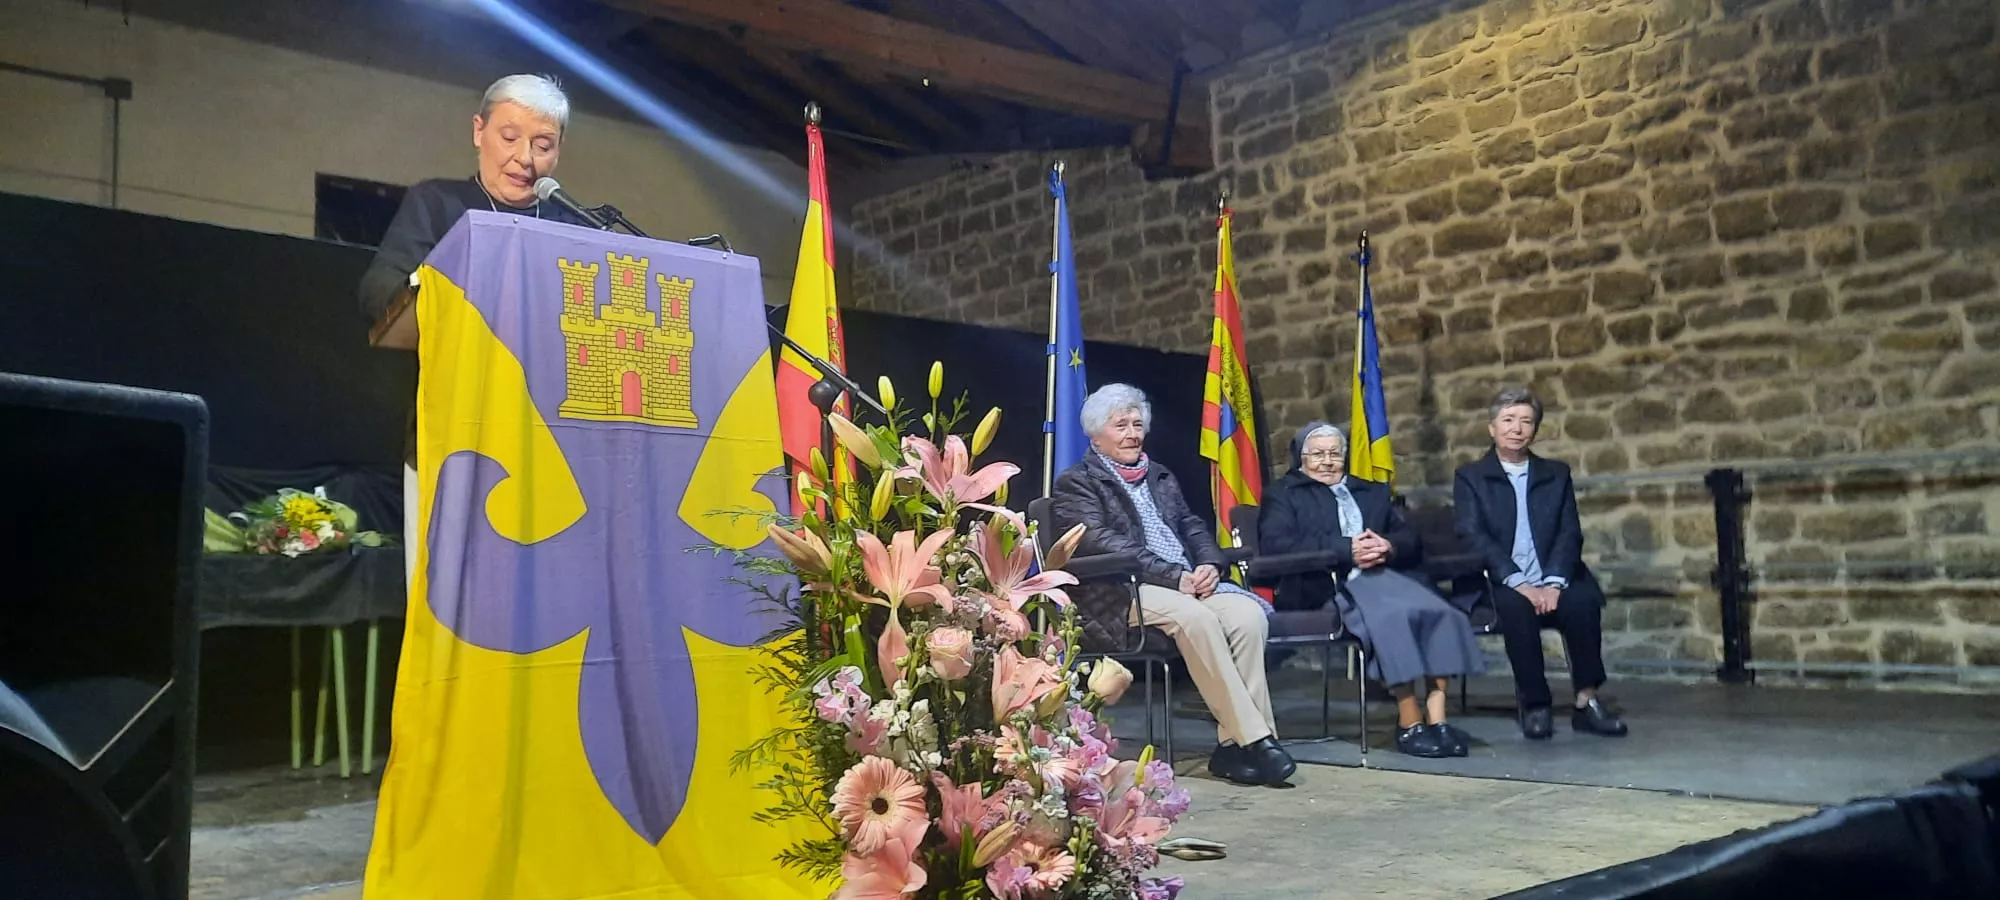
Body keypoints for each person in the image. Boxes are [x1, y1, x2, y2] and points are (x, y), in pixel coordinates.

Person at [356, 74, 596, 582]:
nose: (524, 158)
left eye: (543, 144)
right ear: (478, 131)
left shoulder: (572, 228)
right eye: (509, 137)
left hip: (554, 451)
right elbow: (378, 291)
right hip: (451, 439)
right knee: (447, 594)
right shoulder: (436, 204)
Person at [1050, 384, 1295, 787]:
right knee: (1194, 617)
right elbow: (1099, 539)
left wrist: (1210, 565)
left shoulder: (1159, 475)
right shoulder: (1077, 483)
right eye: (1121, 426)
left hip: (1179, 581)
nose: (1133, 433)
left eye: (1137, 424)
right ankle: (1257, 739)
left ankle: (1234, 746)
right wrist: (1172, 575)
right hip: (1116, 590)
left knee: (1247, 615)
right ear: (1096, 436)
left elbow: (1190, 525)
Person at [1258, 422, 1486, 758]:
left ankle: (1438, 720)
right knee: (1393, 620)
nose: (1327, 461)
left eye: (1334, 453)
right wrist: (1345, 549)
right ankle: (1409, 722)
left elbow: (1410, 539)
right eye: (1318, 454)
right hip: (1326, 585)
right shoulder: (1283, 494)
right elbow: (1277, 545)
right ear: (1301, 459)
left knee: (1444, 614)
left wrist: (1387, 545)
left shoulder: (1373, 491)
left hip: (1388, 578)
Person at [1453, 388, 1628, 740]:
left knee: (1582, 602)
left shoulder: (1555, 473)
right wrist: (1517, 580)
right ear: (1492, 428)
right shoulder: (1470, 477)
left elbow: (1569, 532)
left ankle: (1587, 701)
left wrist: (1554, 581)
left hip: (1553, 576)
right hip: (1500, 580)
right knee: (1516, 610)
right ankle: (1535, 704)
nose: (1516, 428)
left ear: (1535, 430)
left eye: (1526, 421)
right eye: (1508, 420)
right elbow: (1473, 535)